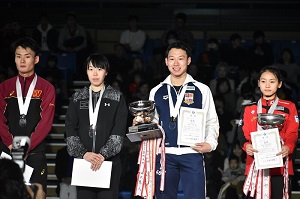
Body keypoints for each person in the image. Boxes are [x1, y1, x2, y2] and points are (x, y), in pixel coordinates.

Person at [134, 41, 219, 198]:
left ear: (188, 60)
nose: (176, 63)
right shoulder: (156, 91)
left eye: (181, 58)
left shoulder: (202, 89)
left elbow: (211, 120)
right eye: (172, 59)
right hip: (165, 154)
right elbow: (154, 121)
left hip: (192, 152)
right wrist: (142, 122)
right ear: (166, 62)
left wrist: (211, 143)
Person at [65, 53, 128, 199]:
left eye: (99, 69)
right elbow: (70, 128)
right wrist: (83, 153)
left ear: (106, 71)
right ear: (86, 71)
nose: (95, 73)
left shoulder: (117, 97)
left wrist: (102, 155)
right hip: (84, 163)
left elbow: (118, 131)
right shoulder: (77, 97)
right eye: (91, 69)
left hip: (109, 163)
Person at [0, 37, 56, 196]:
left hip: (34, 153)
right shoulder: (4, 87)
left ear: (36, 59)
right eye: (18, 56)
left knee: (37, 194)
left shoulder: (46, 88)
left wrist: (26, 146)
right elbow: (0, 119)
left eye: (27, 56)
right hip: (7, 152)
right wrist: (11, 144)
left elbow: (45, 122)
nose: (22, 60)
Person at [237, 65, 299, 199]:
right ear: (258, 83)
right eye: (263, 81)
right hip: (256, 163)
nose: (267, 85)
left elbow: (293, 133)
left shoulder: (289, 107)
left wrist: (288, 147)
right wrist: (246, 146)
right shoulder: (249, 108)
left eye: (272, 81)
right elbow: (242, 133)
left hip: (280, 163)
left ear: (279, 84)